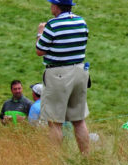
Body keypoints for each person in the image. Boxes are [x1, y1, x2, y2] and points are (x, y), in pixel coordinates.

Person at [36, 0, 90, 155]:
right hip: (79, 71)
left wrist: (40, 32)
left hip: (58, 73)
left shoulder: (53, 25)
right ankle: (86, 157)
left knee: (54, 122)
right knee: (79, 120)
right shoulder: (81, 21)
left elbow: (40, 50)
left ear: (57, 7)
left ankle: (55, 162)